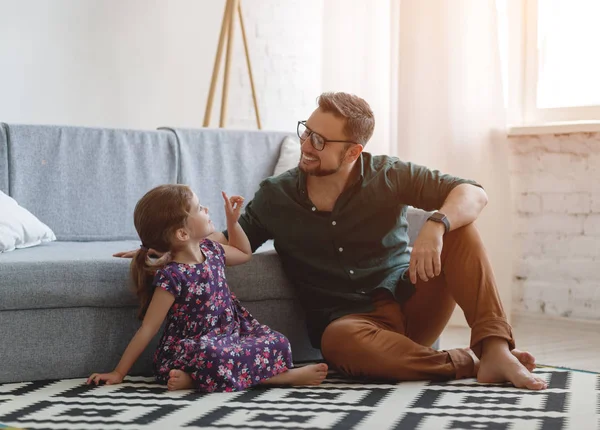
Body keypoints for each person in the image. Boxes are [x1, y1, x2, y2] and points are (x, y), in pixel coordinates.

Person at [116, 92, 546, 391]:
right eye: (306, 132)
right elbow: (225, 245)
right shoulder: (277, 195)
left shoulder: (387, 173)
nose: (307, 144)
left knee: (461, 229)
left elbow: (474, 193)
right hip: (350, 326)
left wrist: (435, 224)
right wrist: (160, 247)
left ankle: (494, 349)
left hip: (410, 300)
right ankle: (468, 363)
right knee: (339, 341)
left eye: (320, 140)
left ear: (353, 152)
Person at [89, 184, 328, 392]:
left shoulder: (212, 251)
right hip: (195, 348)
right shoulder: (172, 276)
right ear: (182, 233)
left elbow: (244, 253)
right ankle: (281, 379)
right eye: (200, 208)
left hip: (230, 336)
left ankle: (195, 381)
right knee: (215, 356)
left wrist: (233, 222)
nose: (206, 210)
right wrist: (119, 372)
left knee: (278, 342)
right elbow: (148, 329)